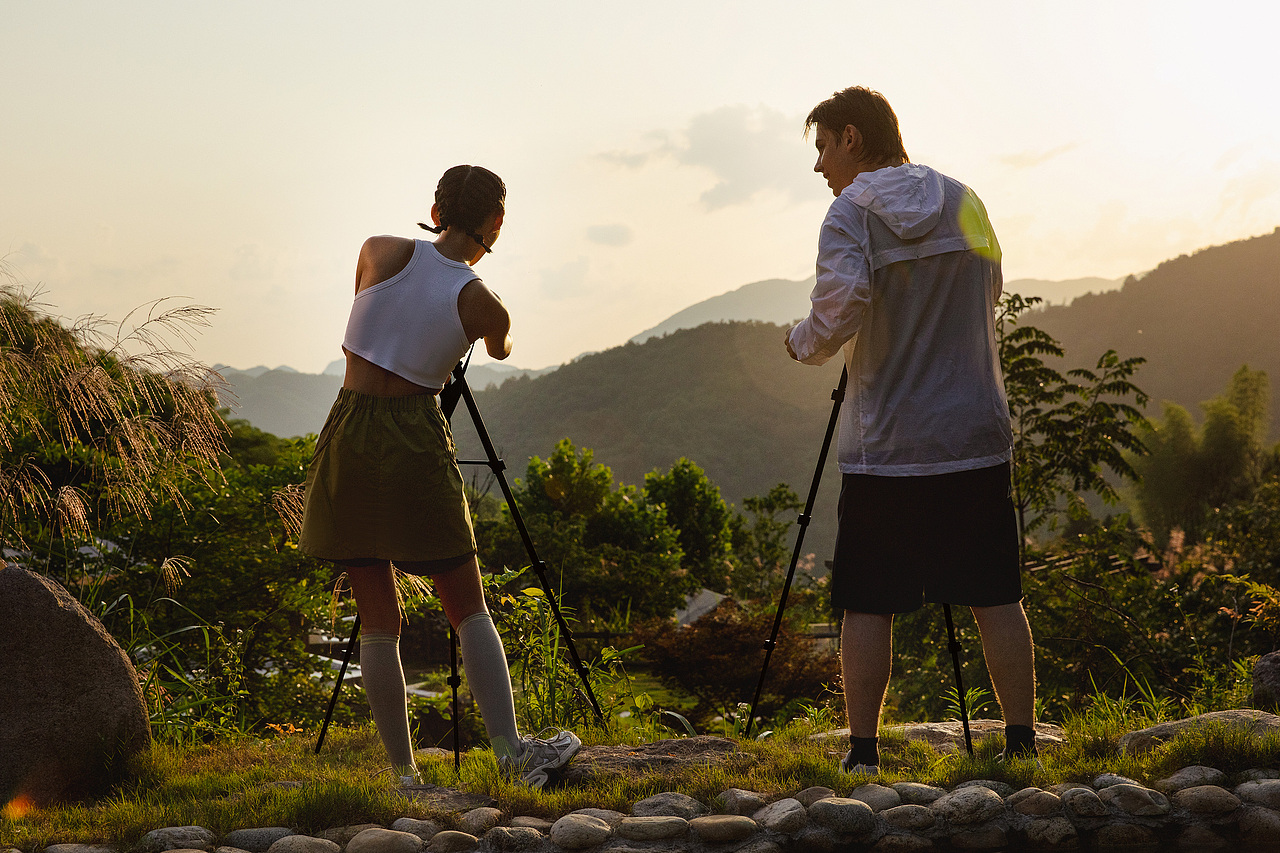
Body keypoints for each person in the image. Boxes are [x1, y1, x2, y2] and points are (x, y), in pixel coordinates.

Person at [298, 165, 580, 788]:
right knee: (467, 605)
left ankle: (404, 776)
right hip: (414, 436)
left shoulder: (376, 251)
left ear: (435, 208)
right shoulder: (482, 302)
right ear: (496, 223)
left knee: (377, 616)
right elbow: (499, 347)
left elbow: (375, 321)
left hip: (348, 427)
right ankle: (510, 755)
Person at [785, 87, 1037, 773]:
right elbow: (990, 286)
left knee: (868, 601)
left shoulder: (849, 214)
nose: (820, 167)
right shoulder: (963, 198)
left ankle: (864, 753)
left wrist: (799, 342)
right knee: (996, 594)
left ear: (851, 138)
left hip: (888, 447)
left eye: (823, 148)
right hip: (974, 435)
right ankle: (1021, 744)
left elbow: (838, 311)